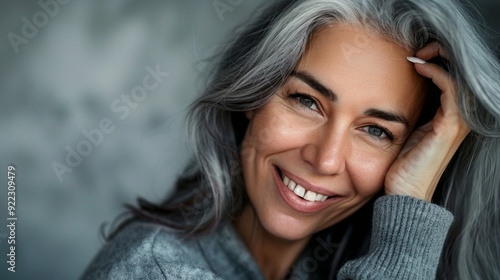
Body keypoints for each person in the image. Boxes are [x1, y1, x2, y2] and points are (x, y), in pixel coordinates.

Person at [82, 0, 500, 279]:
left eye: (376, 130)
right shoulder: (155, 269)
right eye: (307, 101)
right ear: (253, 95)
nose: (326, 159)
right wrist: (405, 245)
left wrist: (410, 198)